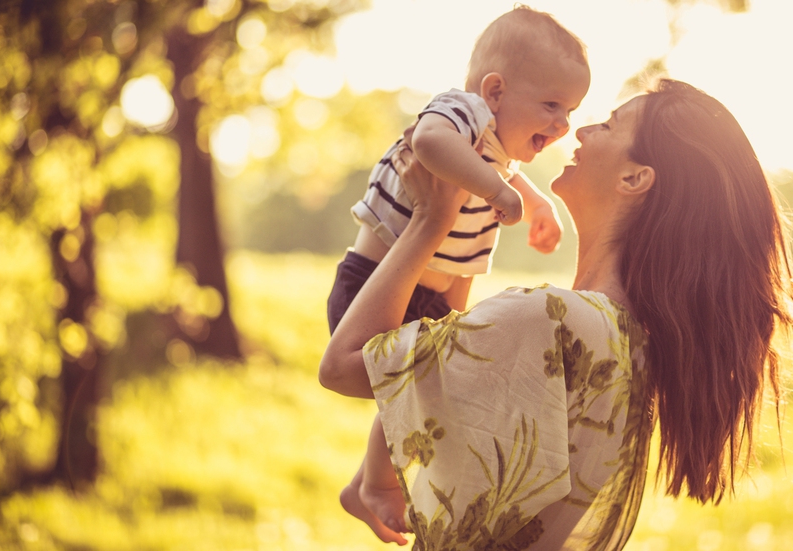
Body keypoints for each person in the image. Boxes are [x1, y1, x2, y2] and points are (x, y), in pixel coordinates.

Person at [320, 78, 792, 550]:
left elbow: (341, 368)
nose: (581, 131)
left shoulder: (550, 321)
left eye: (608, 124)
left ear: (634, 179)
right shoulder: (632, 347)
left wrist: (430, 219)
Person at [325, 6, 591, 544]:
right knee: (404, 384)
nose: (563, 125)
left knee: (418, 393)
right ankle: (376, 485)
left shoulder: (494, 149)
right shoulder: (461, 111)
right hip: (376, 283)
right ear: (493, 91)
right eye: (552, 105)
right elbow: (428, 144)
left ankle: (368, 483)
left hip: (429, 297)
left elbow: (507, 172)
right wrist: (499, 193)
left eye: (572, 111)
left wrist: (537, 205)